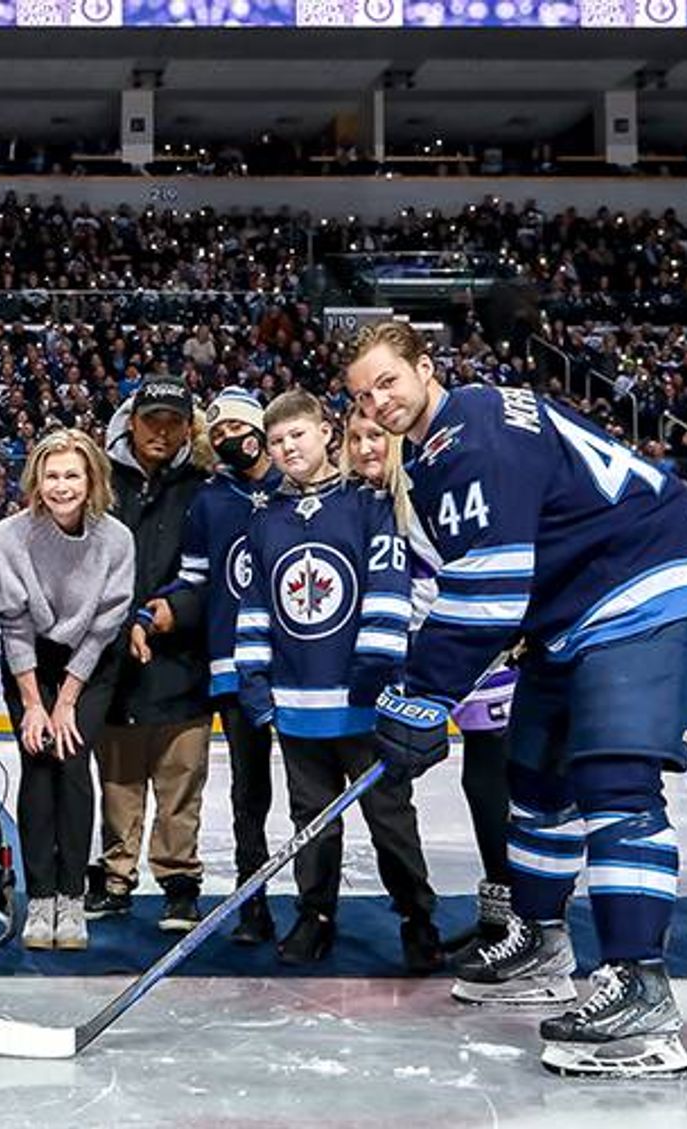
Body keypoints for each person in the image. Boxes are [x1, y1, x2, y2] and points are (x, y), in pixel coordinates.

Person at [347, 321, 687, 1079]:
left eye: (387, 381)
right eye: (361, 395)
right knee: (534, 779)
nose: (376, 402)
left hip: (642, 586)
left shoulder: (469, 439)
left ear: (426, 368)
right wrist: (424, 690)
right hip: (572, 608)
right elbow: (494, 574)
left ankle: (639, 986)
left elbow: (489, 586)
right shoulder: (442, 448)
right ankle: (541, 941)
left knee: (613, 783)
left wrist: (422, 695)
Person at [235, 390, 442, 973]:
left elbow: (388, 588)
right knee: (312, 819)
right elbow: (255, 605)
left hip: (363, 703)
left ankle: (417, 916)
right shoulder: (265, 518)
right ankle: (315, 913)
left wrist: (377, 672)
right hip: (297, 702)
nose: (286, 449)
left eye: (296, 435)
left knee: (390, 816)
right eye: (275, 442)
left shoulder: (367, 505)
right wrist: (254, 676)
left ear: (327, 432)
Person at [345, 407, 515, 956]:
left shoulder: (422, 493)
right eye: (354, 438)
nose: (365, 447)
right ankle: (480, 918)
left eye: (376, 436)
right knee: (459, 784)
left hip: (476, 653)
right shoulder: (369, 501)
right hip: (426, 656)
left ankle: (513, 920)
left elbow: (476, 563)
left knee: (493, 785)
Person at [0, 429, 135, 952]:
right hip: (30, 658)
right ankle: (41, 897)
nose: (61, 485)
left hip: (91, 663)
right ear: (36, 480)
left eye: (72, 474)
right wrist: (34, 703)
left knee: (71, 759)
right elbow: (12, 622)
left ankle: (72, 898)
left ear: (91, 478)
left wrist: (67, 701)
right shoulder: (8, 536)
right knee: (37, 760)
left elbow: (103, 626)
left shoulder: (117, 539)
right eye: (52, 475)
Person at [99, 378, 215, 933]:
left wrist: (175, 612)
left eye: (174, 421)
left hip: (182, 660)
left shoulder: (205, 488)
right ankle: (115, 878)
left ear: (189, 428)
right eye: (152, 419)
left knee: (179, 780)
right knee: (118, 780)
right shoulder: (101, 483)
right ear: (131, 421)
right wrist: (120, 625)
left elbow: (218, 574)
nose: (161, 431)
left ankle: (178, 883)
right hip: (114, 659)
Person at [168, 387, 282, 945]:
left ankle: (319, 904)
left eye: (236, 427)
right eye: (217, 434)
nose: (228, 439)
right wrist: (154, 609)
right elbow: (193, 580)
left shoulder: (297, 487)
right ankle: (252, 899)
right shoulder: (209, 502)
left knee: (317, 792)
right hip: (233, 666)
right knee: (248, 793)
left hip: (302, 667)